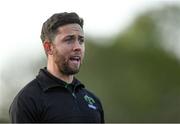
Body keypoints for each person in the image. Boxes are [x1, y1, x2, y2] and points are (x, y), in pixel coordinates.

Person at [9, 12, 104, 123]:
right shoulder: (27, 100)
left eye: (81, 40)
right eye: (69, 40)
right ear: (49, 47)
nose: (78, 47)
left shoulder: (93, 100)